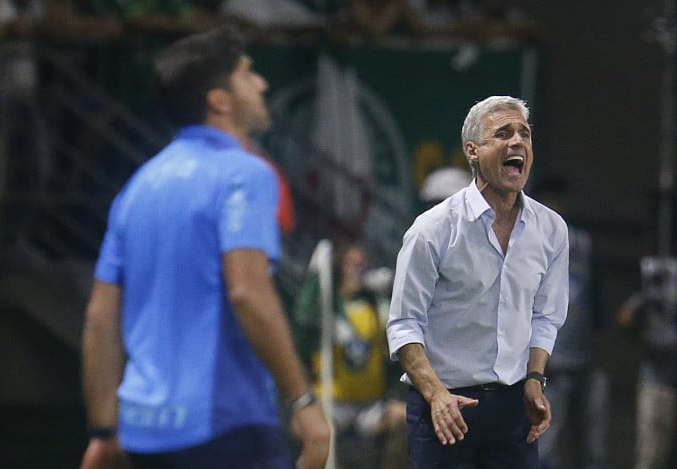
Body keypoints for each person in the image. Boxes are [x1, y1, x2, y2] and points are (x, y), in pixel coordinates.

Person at [79, 26, 331, 469]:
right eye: (248, 74)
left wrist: (104, 431)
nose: (262, 84)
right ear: (220, 100)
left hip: (143, 435)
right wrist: (303, 399)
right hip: (224, 429)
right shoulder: (246, 173)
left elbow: (100, 317)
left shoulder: (137, 188)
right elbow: (247, 291)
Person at [386, 95, 569, 469]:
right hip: (444, 407)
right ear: (472, 151)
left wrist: (535, 378)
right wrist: (437, 395)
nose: (517, 142)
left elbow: (546, 317)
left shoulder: (551, 229)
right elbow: (404, 324)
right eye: (502, 134)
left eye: (524, 134)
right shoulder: (432, 229)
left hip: (513, 410)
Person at [292, 241, 410, 469]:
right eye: (352, 264)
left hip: (369, 405)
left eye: (362, 265)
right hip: (333, 404)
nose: (359, 270)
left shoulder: (375, 306)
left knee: (405, 420)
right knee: (307, 429)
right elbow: (304, 324)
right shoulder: (325, 308)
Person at [532, 174, 608, 469]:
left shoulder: (581, 241)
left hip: (583, 359)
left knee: (591, 447)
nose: (554, 205)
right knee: (546, 442)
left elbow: (594, 298)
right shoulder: (526, 242)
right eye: (547, 199)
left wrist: (598, 349)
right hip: (549, 364)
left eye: (558, 199)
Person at [617, 260, 677, 469]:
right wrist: (645, 297)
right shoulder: (646, 285)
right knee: (650, 455)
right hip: (654, 381)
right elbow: (625, 320)